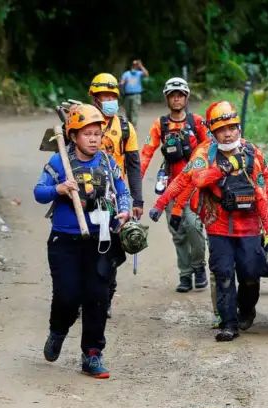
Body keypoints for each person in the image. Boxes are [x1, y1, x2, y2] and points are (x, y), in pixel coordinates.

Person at [153, 101, 268, 341]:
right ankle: (228, 323)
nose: (228, 133)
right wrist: (161, 205)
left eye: (232, 127)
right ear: (212, 132)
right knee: (222, 274)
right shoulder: (205, 153)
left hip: (249, 226)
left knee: (251, 274)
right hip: (218, 224)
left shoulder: (253, 153)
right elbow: (190, 179)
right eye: (222, 129)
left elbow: (263, 191)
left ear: (238, 127)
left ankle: (247, 308)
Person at [34, 104, 131, 378]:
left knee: (97, 297)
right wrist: (59, 189)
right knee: (67, 296)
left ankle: (92, 354)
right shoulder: (59, 162)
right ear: (73, 136)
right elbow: (39, 192)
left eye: (97, 133)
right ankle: (58, 331)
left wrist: (123, 210)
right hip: (64, 240)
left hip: (100, 240)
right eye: (86, 133)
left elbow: (122, 191)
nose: (93, 138)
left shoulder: (108, 164)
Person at [140, 77, 210, 293]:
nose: (177, 98)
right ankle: (185, 274)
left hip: (196, 186)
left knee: (195, 227)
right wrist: (134, 185)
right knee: (178, 232)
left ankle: (199, 266)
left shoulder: (196, 122)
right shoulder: (160, 125)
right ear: (167, 98)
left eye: (180, 94)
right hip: (171, 185)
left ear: (186, 97)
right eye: (173, 95)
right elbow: (146, 153)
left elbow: (210, 146)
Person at [88, 73, 143, 318]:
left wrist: (137, 200)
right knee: (82, 247)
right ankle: (83, 295)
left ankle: (106, 295)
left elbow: (133, 165)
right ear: (94, 98)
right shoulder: (82, 125)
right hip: (84, 194)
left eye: (112, 96)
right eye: (104, 96)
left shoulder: (125, 127)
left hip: (112, 197)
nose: (109, 100)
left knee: (110, 249)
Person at [120, 59, 149, 126]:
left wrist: (141, 66)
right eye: (134, 65)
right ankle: (130, 125)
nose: (135, 66)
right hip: (127, 96)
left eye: (136, 65)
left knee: (134, 111)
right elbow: (122, 82)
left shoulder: (139, 73)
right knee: (128, 112)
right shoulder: (126, 73)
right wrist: (121, 84)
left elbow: (146, 74)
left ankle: (134, 125)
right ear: (131, 65)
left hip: (136, 95)